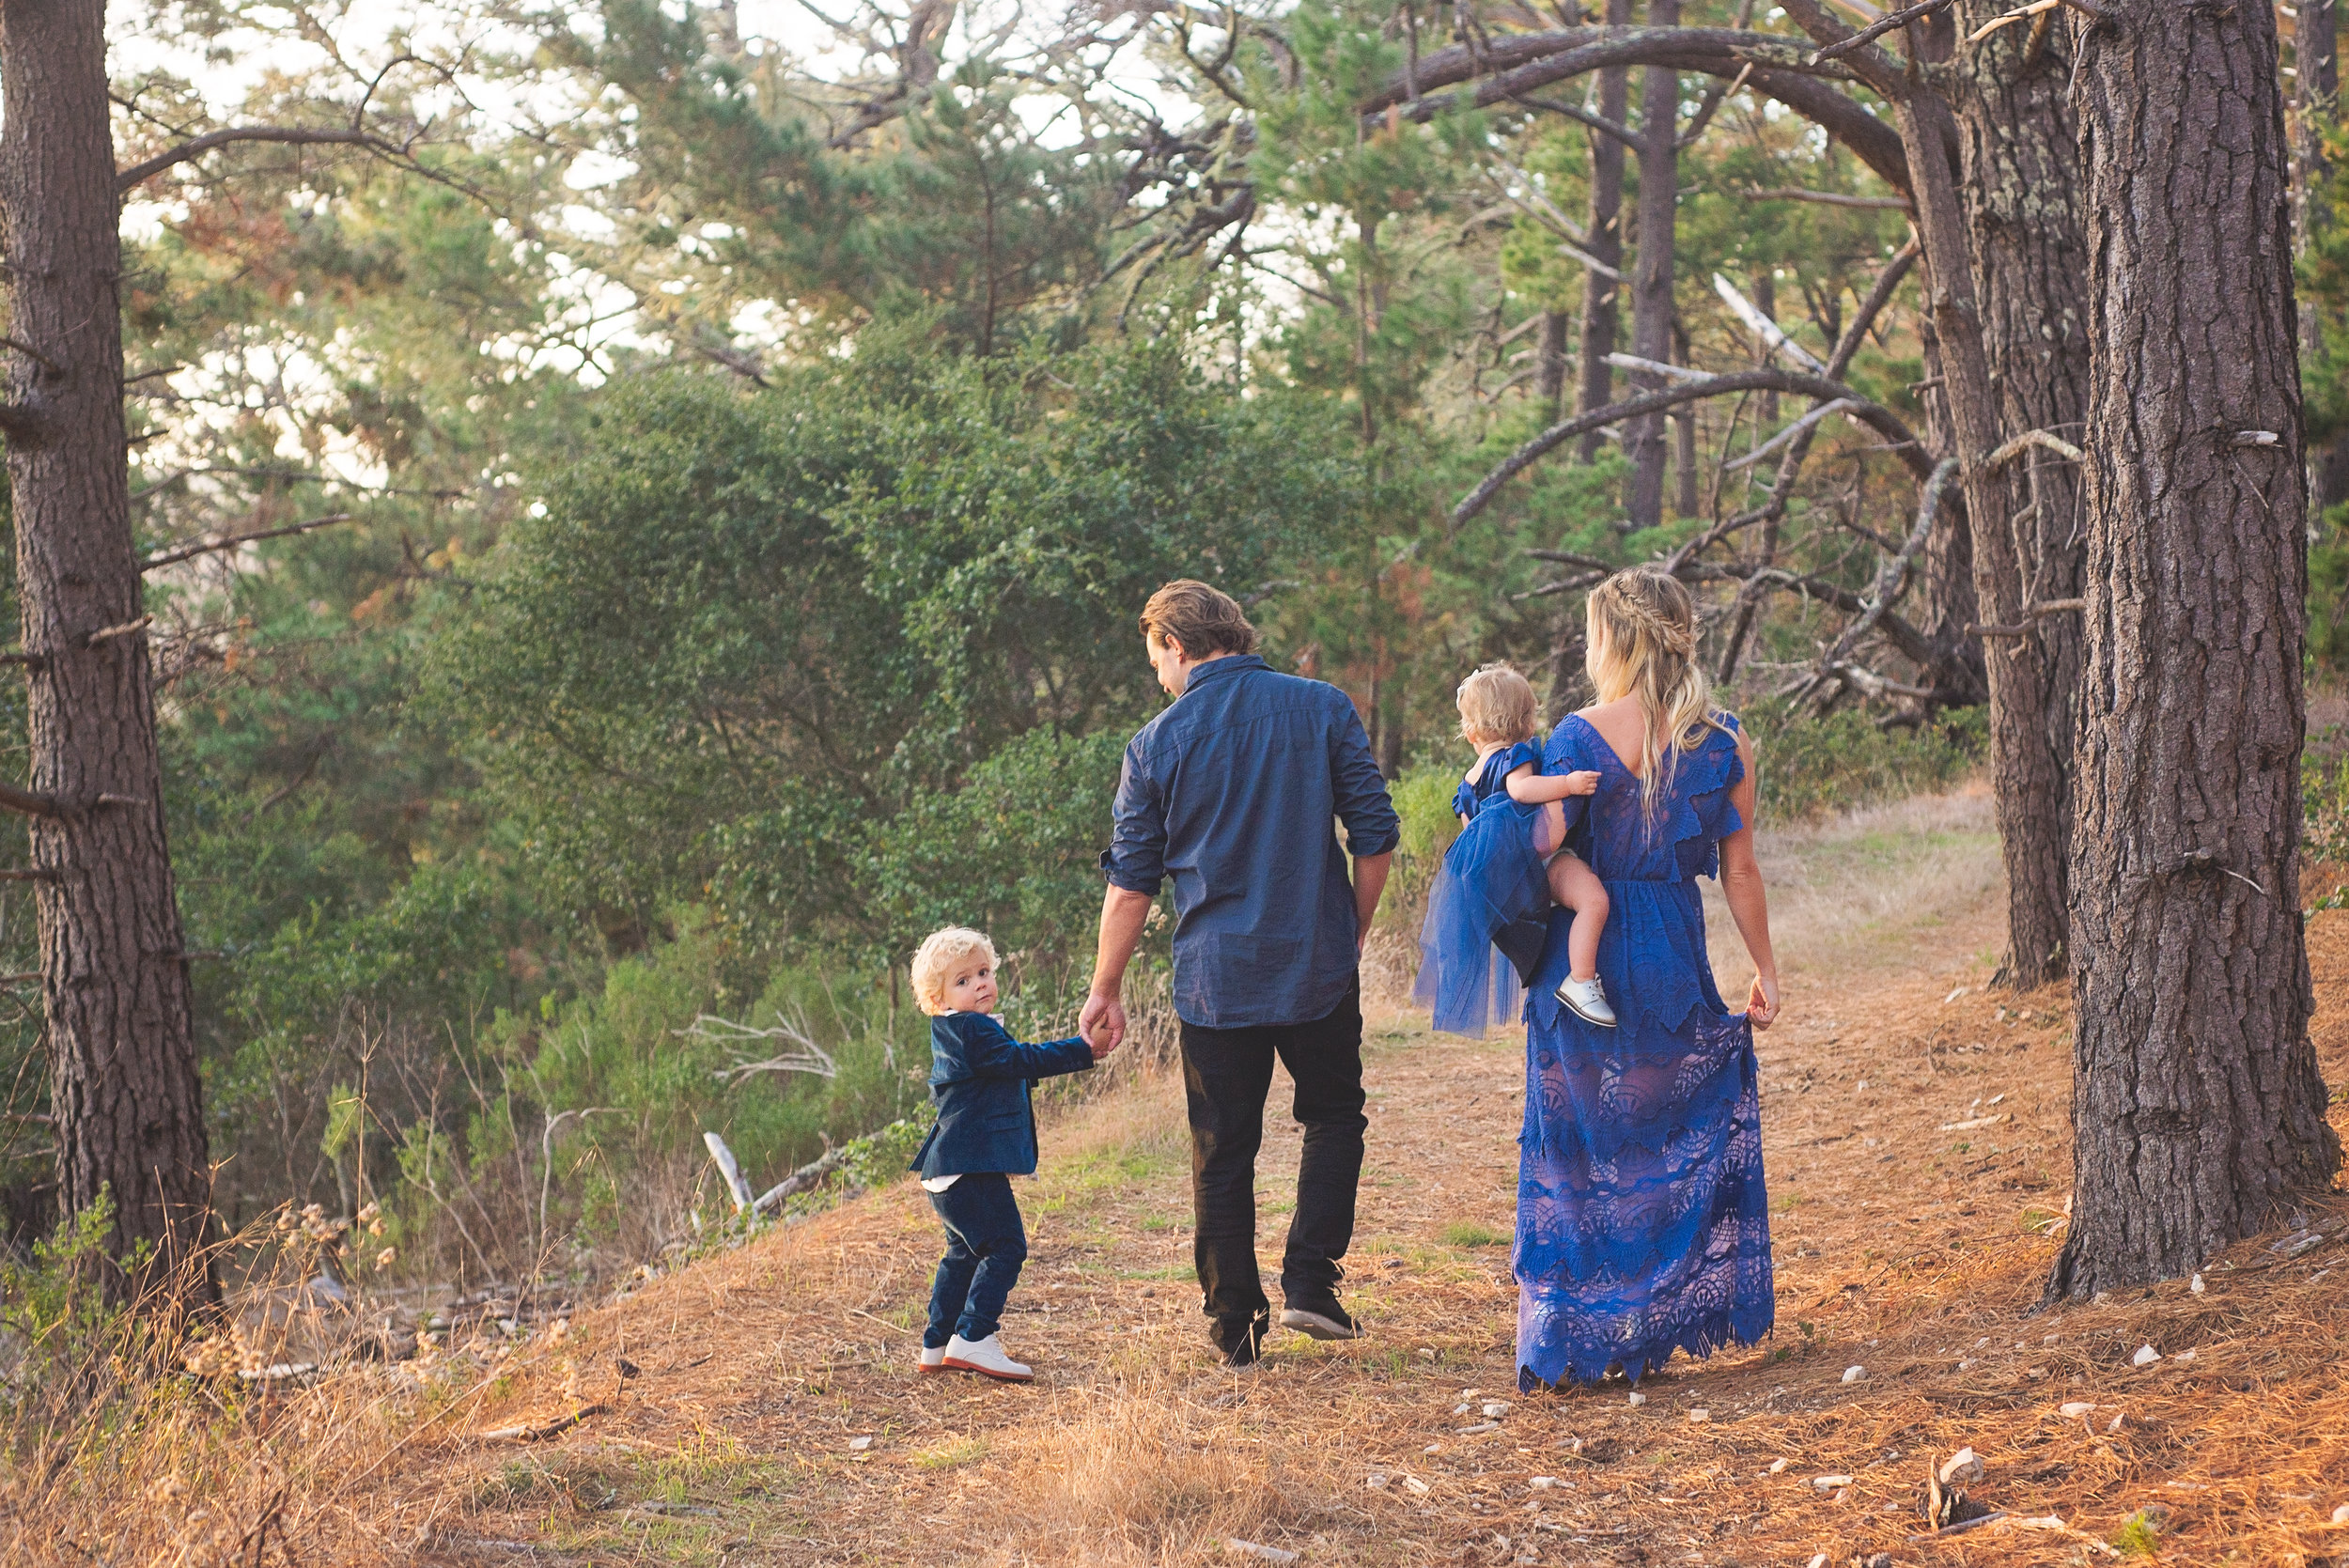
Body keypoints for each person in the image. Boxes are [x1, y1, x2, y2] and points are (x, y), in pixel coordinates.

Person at [1081, 580, 1400, 1367]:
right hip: (1315, 964)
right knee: (1333, 1117)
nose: (1157, 676)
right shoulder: (1322, 706)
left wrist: (1105, 986)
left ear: (1178, 646)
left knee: (1221, 1150)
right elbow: (1376, 835)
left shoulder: (1155, 744)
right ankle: (1311, 1284)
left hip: (1215, 981)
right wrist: (1351, 929)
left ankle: (1235, 1325)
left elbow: (1131, 885)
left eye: (1155, 657)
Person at [1514, 567, 1782, 1392]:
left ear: (1614, 640)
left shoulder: (1575, 735)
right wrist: (1766, 969)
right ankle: (1650, 1315)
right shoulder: (1725, 740)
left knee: (1582, 1143)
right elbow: (1739, 870)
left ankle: (1578, 1328)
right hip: (1669, 945)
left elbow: (1538, 849)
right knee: (1666, 1132)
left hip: (1582, 957)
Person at [908, 925, 1112, 1383]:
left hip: (946, 1169)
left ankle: (937, 1343)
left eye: (983, 972)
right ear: (938, 999)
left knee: (962, 1254)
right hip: (969, 1166)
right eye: (962, 981)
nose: (979, 983)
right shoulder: (973, 1030)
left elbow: (1003, 1071)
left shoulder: (953, 1032)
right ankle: (974, 1337)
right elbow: (1021, 1060)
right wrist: (1082, 1049)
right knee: (1006, 1247)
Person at [1414, 663, 1612, 1039]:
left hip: (1501, 881)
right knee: (1593, 900)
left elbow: (1472, 838)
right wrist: (1567, 783)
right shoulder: (1514, 756)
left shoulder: (1467, 783)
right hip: (1537, 863)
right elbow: (1522, 792)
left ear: (1471, 730)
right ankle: (1582, 980)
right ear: (1524, 720)